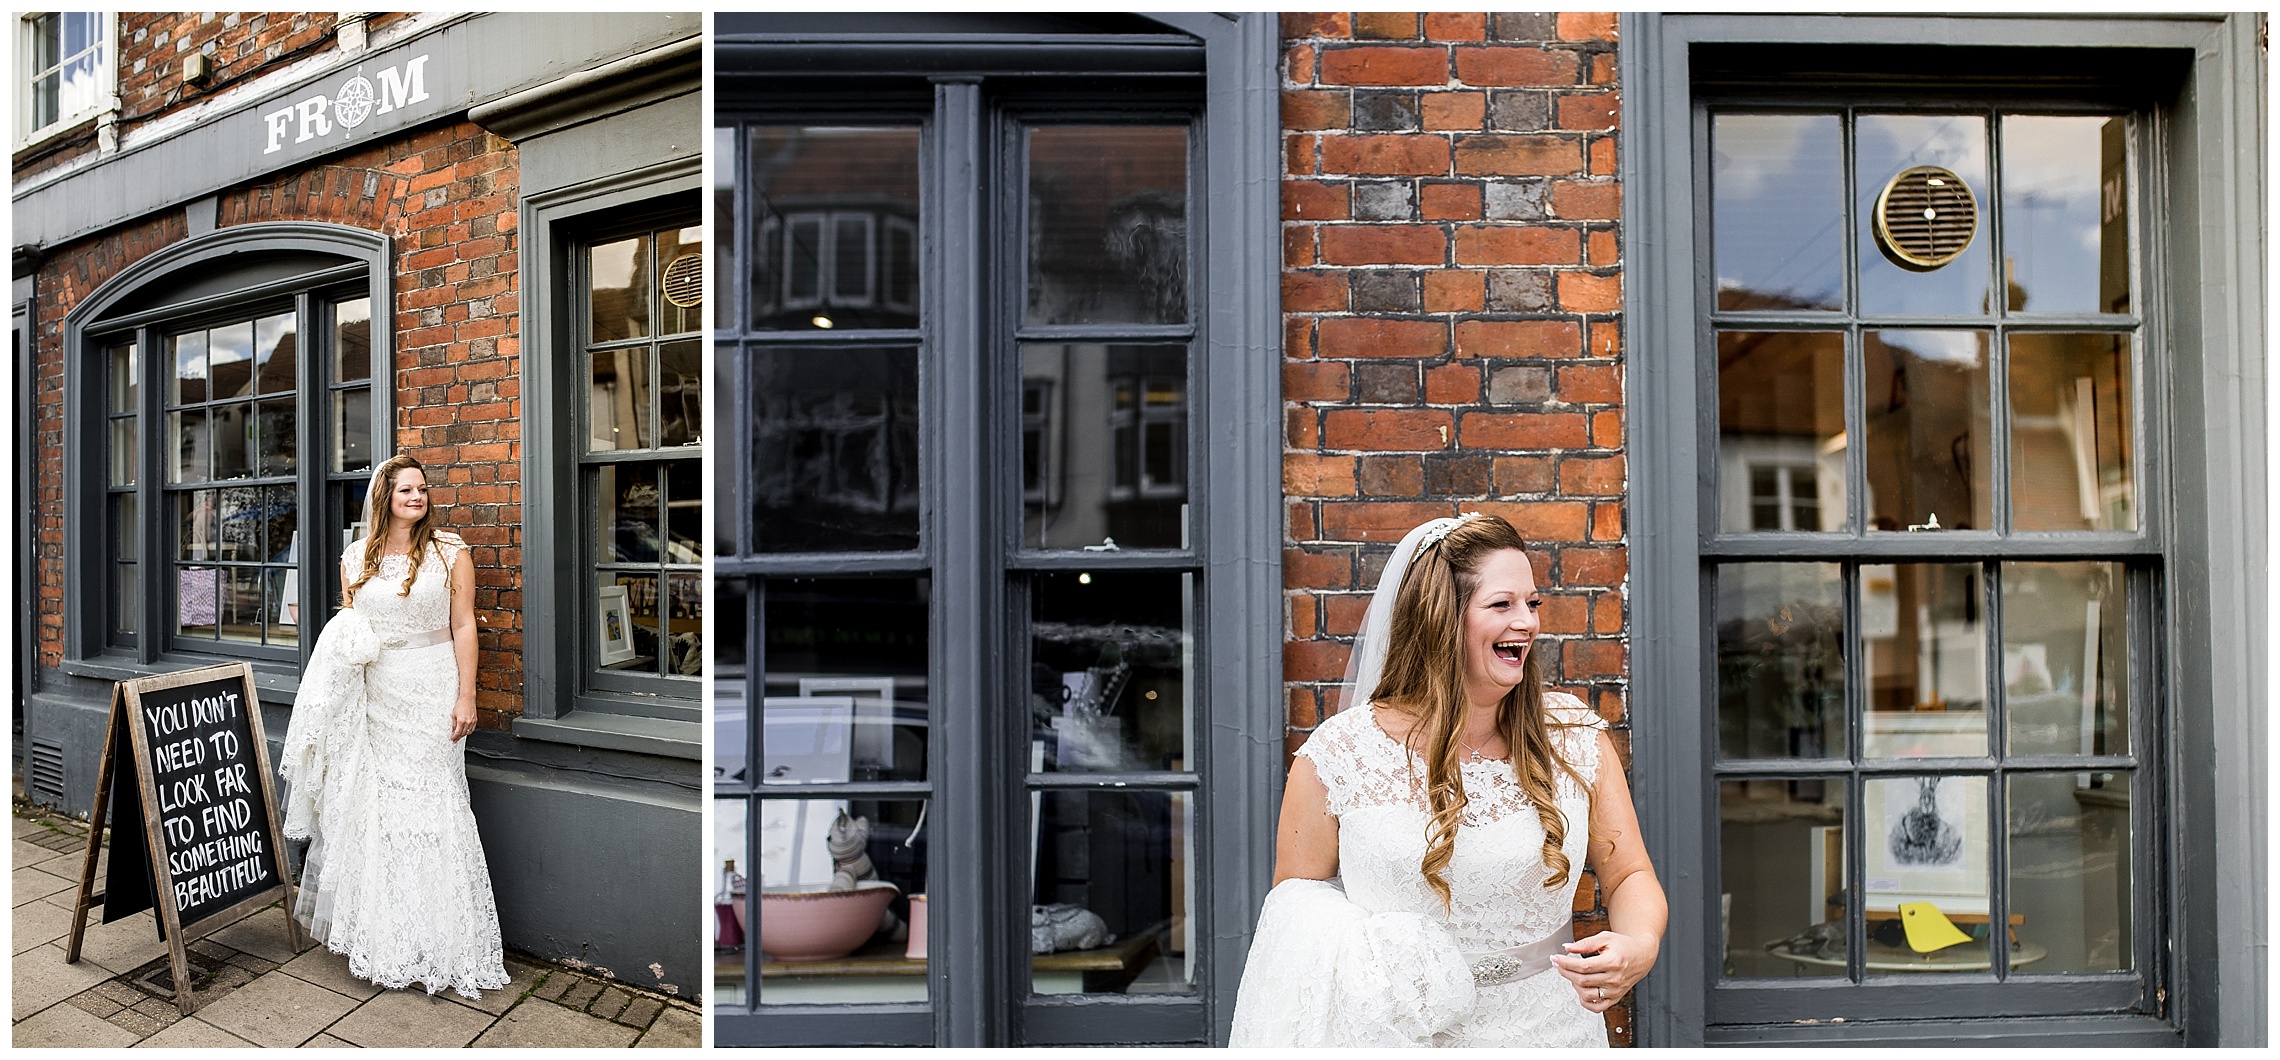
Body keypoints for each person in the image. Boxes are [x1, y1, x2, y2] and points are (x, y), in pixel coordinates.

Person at [1230, 513, 1666, 1047]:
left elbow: (1628, 874)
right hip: (1396, 1039)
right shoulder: (1338, 754)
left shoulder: (1574, 737)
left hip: (1550, 1033)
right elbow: (1295, 908)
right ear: (1441, 616)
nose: (1527, 622)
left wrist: (1638, 943)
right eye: (1502, 604)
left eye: (1532, 603)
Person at [281, 454, 508, 998]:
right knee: (380, 814)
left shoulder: (451, 552)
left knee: (435, 807)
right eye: (406, 489)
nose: (417, 497)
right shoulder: (355, 557)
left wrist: (466, 695)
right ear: (384, 498)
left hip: (432, 691)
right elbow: (351, 629)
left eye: (422, 489)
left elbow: (463, 627)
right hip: (375, 696)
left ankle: (444, 943)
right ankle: (385, 939)